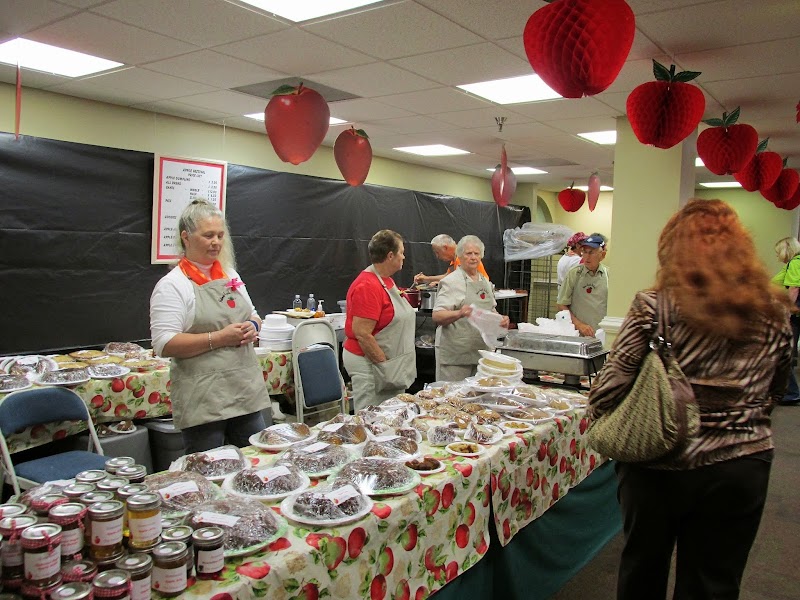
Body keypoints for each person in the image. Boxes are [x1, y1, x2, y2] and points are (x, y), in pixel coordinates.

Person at [588, 199, 792, 600]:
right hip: (742, 464)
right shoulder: (774, 311)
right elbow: (776, 390)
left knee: (642, 571)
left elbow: (609, 388)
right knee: (715, 580)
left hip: (657, 462)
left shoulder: (655, 306)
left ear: (672, 249)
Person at [150, 199, 270, 454]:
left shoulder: (231, 276)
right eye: (208, 235)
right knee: (208, 468)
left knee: (258, 460)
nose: (216, 242)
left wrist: (252, 326)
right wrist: (220, 338)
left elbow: (254, 314)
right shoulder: (173, 285)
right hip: (203, 399)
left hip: (243, 391)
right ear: (186, 237)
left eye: (220, 235)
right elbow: (164, 343)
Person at [343, 230, 417, 411]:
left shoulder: (387, 281)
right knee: (371, 416)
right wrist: (385, 365)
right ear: (390, 255)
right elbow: (362, 333)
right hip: (370, 364)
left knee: (391, 415)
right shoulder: (367, 286)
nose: (404, 256)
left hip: (389, 364)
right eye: (401, 252)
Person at [432, 235, 510, 381]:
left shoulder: (485, 282)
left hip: (481, 354)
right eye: (469, 253)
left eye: (476, 253)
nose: (473, 257)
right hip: (456, 355)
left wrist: (500, 319)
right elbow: (437, 316)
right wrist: (459, 313)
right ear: (460, 256)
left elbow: (490, 310)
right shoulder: (451, 282)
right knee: (452, 398)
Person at [556, 233, 609, 337]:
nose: (587, 256)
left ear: (602, 255)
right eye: (584, 252)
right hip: (578, 334)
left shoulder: (608, 276)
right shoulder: (574, 274)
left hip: (601, 334)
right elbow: (561, 304)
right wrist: (579, 325)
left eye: (591, 252)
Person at [771, 236, 800, 405]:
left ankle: (791, 391)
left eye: (778, 253)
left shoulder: (795, 263)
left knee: (784, 351)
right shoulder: (793, 264)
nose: (777, 256)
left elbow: (794, 288)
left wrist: (787, 311)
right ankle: (788, 390)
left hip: (795, 315)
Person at [414, 233, 489, 285]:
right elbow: (448, 276)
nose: (437, 256)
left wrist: (443, 282)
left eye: (437, 252)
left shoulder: (462, 258)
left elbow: (464, 280)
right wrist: (426, 279)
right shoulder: (455, 259)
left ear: (445, 247)